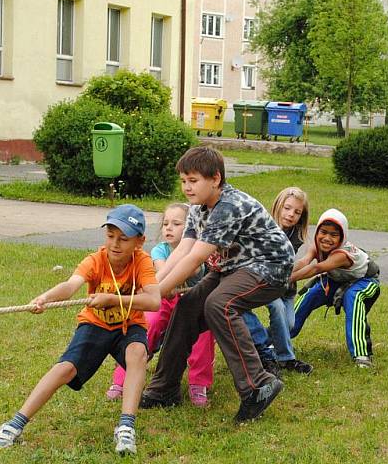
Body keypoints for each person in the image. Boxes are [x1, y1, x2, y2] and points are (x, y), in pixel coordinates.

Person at [0, 204, 161, 455]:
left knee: (137, 354)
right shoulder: (96, 259)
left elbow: (154, 301)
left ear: (139, 241)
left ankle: (126, 427)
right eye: (110, 236)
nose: (115, 244)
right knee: (65, 368)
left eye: (123, 239)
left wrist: (113, 299)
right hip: (95, 323)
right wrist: (45, 298)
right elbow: (70, 286)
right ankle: (14, 425)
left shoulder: (142, 261)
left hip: (128, 324)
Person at [139, 146, 294, 422]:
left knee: (219, 304)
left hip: (269, 267)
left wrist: (155, 295)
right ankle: (164, 389)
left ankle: (258, 385)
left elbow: (196, 258)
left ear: (216, 179)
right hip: (232, 268)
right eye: (184, 180)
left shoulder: (229, 206)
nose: (187, 187)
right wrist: (153, 288)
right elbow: (181, 253)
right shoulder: (198, 209)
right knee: (186, 307)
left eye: (193, 180)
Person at [108, 203, 215, 407]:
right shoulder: (160, 250)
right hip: (165, 298)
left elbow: (194, 270)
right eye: (165, 223)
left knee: (204, 333)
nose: (168, 228)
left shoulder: (200, 249)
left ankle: (198, 383)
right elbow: (163, 270)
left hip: (193, 301)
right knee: (146, 324)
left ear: (191, 227)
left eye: (176, 224)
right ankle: (123, 377)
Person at [289, 208, 381, 368]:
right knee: (309, 296)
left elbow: (316, 269)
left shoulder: (341, 255)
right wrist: (283, 274)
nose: (327, 238)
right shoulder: (315, 246)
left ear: (342, 237)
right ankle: (276, 341)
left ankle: (361, 354)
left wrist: (287, 280)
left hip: (364, 281)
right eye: (323, 232)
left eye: (334, 234)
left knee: (353, 297)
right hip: (335, 279)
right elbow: (304, 262)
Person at [242, 187, 313, 376]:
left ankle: (256, 345)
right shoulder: (262, 229)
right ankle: (286, 359)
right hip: (266, 284)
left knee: (289, 325)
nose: (291, 215)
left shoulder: (295, 236)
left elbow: (288, 266)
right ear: (278, 206)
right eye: (287, 208)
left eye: (297, 212)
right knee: (277, 309)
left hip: (286, 287)